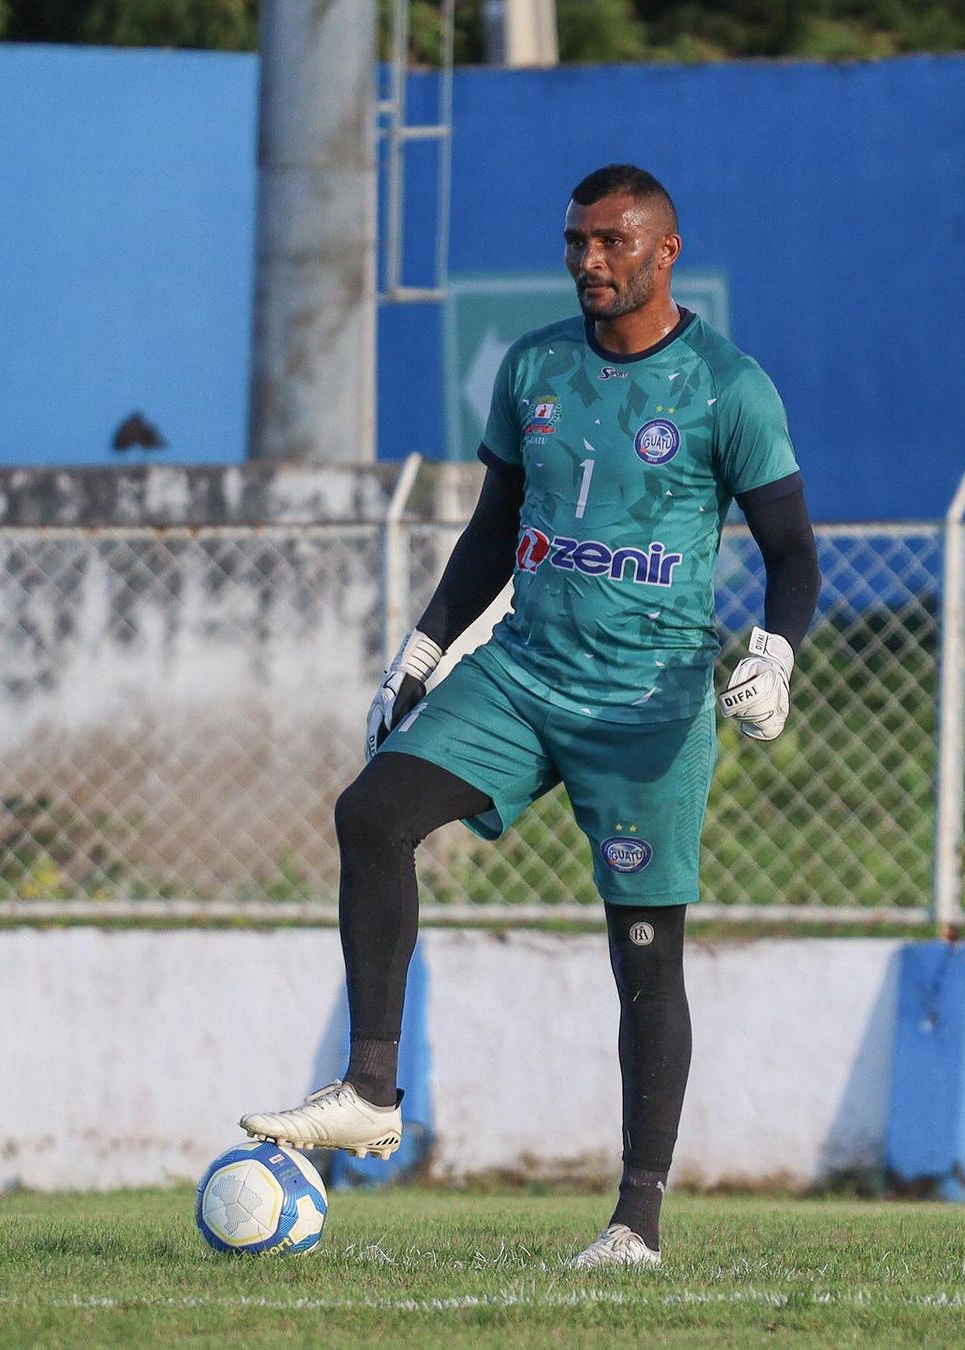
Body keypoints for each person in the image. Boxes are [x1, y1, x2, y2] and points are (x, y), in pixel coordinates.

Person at [241, 164, 822, 1268]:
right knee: (372, 814)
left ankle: (635, 1224)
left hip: (647, 704)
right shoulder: (536, 366)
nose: (588, 261)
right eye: (575, 242)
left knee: (644, 955)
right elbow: (493, 529)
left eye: (612, 242)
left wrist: (775, 653)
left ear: (664, 251)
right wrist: (423, 650)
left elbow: (794, 554)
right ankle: (370, 1091)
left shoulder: (727, 387)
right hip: (521, 673)